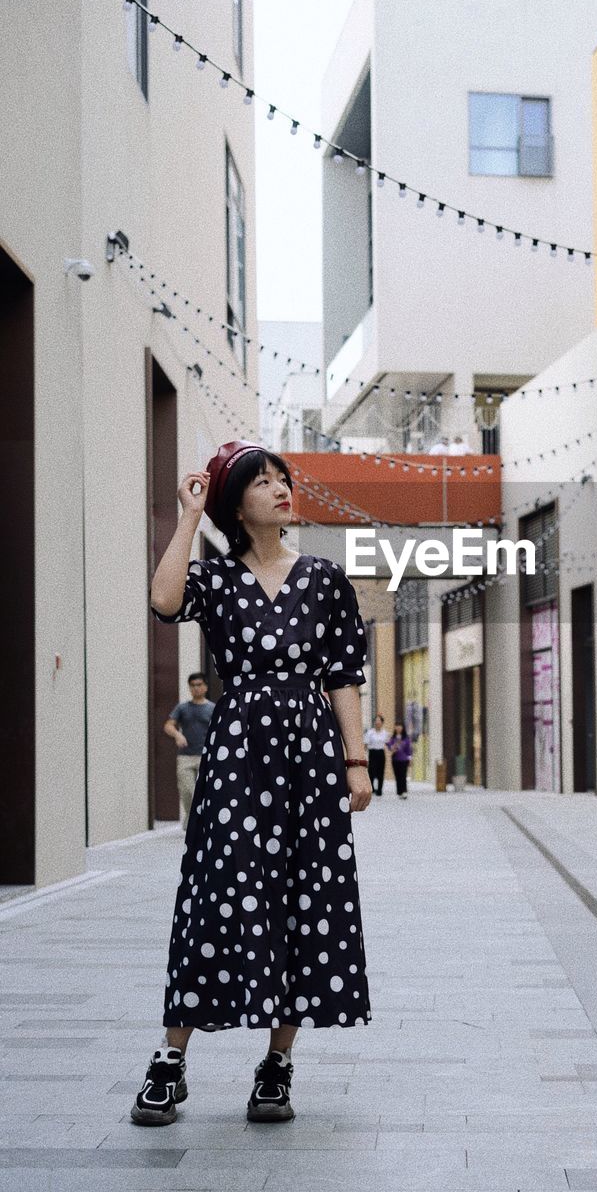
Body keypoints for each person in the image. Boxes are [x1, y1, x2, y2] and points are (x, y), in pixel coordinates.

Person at [133, 439, 372, 1128]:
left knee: (303, 898)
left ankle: (276, 1066)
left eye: (282, 479)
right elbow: (163, 599)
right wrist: (188, 517)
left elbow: (342, 675)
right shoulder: (217, 576)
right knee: (212, 897)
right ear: (237, 502)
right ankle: (171, 1063)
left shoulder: (324, 579)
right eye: (262, 482)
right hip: (238, 758)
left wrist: (355, 762)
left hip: (308, 756)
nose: (279, 489)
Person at [164, 673, 215, 830]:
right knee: (187, 791)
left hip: (205, 756)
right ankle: (192, 818)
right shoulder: (182, 708)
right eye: (193, 685)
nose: (196, 688)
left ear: (205, 687)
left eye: (199, 685)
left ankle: (198, 824)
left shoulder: (212, 708)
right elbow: (168, 725)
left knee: (204, 793)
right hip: (185, 757)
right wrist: (178, 735)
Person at [363, 714, 390, 796]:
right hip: (372, 752)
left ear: (382, 722)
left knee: (380, 771)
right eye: (376, 721)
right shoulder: (370, 732)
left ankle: (380, 790)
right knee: (371, 770)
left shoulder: (385, 733)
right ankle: (372, 788)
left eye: (379, 721)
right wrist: (364, 754)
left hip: (381, 753)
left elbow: (388, 743)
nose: (377, 722)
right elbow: (366, 744)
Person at [386, 722, 413, 799]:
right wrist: (392, 747)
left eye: (400, 726)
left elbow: (409, 750)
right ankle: (399, 792)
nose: (398, 728)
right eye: (397, 726)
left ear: (402, 728)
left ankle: (404, 791)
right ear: (395, 728)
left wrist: (410, 759)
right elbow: (389, 746)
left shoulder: (406, 738)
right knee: (397, 776)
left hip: (404, 760)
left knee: (403, 775)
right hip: (395, 759)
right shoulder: (393, 738)